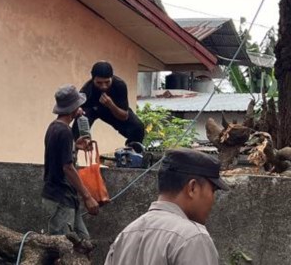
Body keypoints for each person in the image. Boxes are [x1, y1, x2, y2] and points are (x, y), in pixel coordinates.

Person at [104, 148, 225, 265]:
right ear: (192, 188)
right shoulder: (192, 238)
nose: (212, 199)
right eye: (213, 191)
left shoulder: (125, 236)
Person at [42, 85, 99, 238]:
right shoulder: (65, 131)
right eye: (79, 105)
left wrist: (75, 147)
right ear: (74, 108)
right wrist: (87, 196)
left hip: (64, 198)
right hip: (60, 198)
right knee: (63, 248)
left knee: (83, 241)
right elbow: (67, 167)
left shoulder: (54, 127)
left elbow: (59, 156)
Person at [74, 61, 145, 148]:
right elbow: (73, 109)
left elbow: (124, 116)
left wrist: (111, 105)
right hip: (93, 110)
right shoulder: (87, 89)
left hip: (114, 110)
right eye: (99, 83)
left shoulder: (120, 85)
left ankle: (132, 155)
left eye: (107, 82)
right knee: (78, 123)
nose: (103, 86)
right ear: (93, 80)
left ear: (112, 78)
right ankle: (72, 156)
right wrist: (77, 110)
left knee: (138, 128)